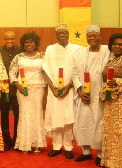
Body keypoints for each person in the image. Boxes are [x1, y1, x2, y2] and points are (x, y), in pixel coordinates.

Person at [71, 24, 110, 166]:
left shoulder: (107, 51)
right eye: (89, 36)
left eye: (95, 35)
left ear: (100, 36)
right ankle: (86, 152)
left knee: (99, 122)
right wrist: (79, 91)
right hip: (84, 95)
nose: (92, 38)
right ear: (86, 38)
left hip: (101, 93)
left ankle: (100, 154)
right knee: (83, 121)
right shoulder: (79, 53)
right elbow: (74, 73)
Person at [42, 23, 81, 159]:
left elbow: (80, 70)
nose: (62, 35)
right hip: (54, 90)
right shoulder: (50, 49)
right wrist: (52, 87)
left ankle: (69, 147)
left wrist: (69, 86)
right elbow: (45, 69)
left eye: (64, 33)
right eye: (59, 33)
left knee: (68, 118)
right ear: (56, 35)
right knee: (56, 118)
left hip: (70, 90)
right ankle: (56, 146)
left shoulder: (77, 49)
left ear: (68, 34)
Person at [9, 31, 47, 154]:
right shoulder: (18, 57)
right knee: (25, 114)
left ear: (36, 43)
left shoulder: (42, 56)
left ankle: (37, 144)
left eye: (31, 42)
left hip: (38, 88)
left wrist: (47, 89)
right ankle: (25, 143)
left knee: (37, 114)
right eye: (26, 42)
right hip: (22, 89)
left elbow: (46, 73)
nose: (29, 44)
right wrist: (17, 85)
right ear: (23, 44)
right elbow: (11, 73)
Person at [0, 31, 21, 151]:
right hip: (3, 90)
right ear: (3, 39)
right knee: (4, 116)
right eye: (7, 39)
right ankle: (6, 141)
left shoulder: (20, 50)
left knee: (18, 116)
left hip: (18, 90)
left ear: (15, 39)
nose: (9, 41)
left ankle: (16, 140)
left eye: (12, 38)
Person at [100, 33, 122, 167]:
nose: (117, 46)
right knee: (110, 130)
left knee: (119, 131)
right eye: (114, 44)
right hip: (111, 100)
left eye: (120, 44)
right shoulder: (112, 59)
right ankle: (111, 161)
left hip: (120, 101)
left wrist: (118, 81)